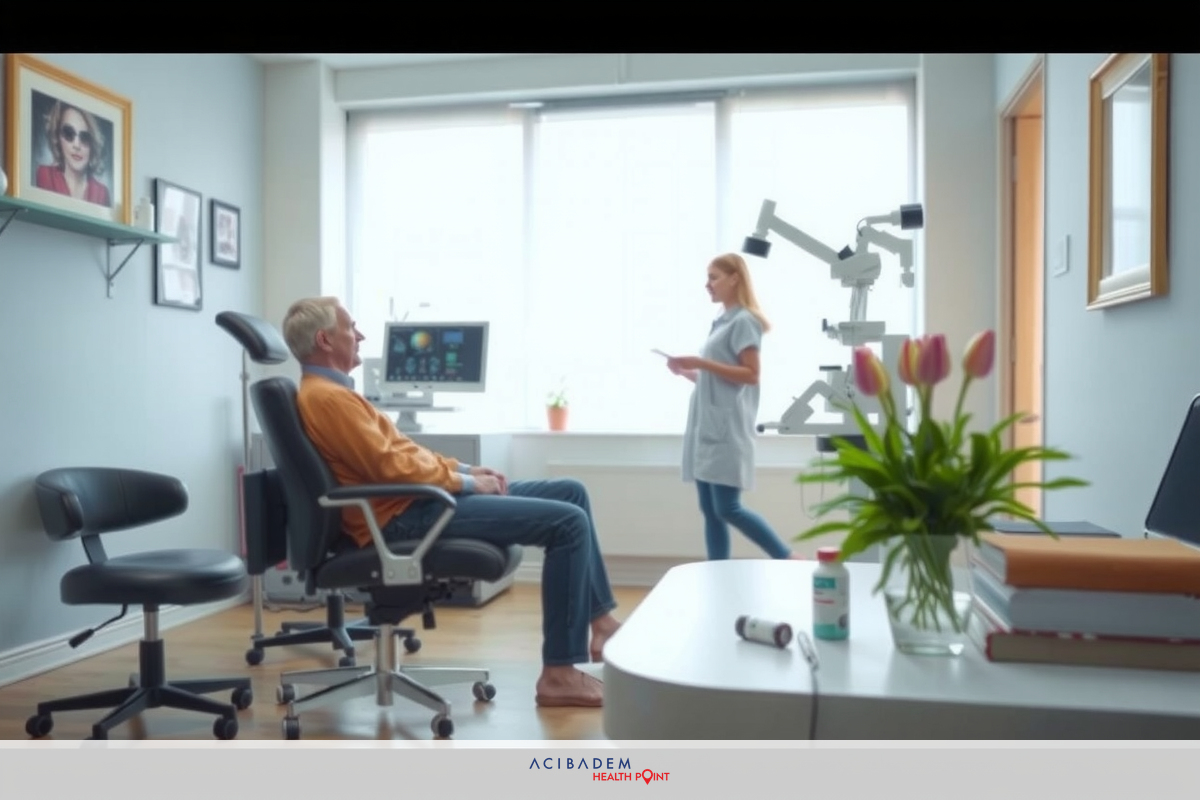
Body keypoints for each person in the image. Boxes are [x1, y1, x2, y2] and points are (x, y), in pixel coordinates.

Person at [281, 297, 621, 708]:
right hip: (402, 518)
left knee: (570, 491)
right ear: (324, 339)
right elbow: (389, 467)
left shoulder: (335, 393)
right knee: (567, 523)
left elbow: (403, 452)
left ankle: (600, 622)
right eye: (352, 327)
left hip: (414, 502)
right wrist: (463, 484)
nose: (361, 336)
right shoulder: (328, 399)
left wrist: (466, 469)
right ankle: (560, 673)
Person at [666, 253, 802, 562]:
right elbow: (717, 377)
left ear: (734, 278)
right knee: (710, 510)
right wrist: (688, 372)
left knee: (727, 508)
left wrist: (700, 361)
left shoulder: (745, 321)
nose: (707, 285)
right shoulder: (721, 321)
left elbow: (751, 375)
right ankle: (717, 570)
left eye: (713, 277)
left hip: (726, 428)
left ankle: (787, 556)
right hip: (706, 424)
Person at [35, 100, 111, 207]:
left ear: (92, 144)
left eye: (84, 137)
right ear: (58, 138)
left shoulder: (102, 193)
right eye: (68, 133)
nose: (76, 145)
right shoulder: (44, 175)